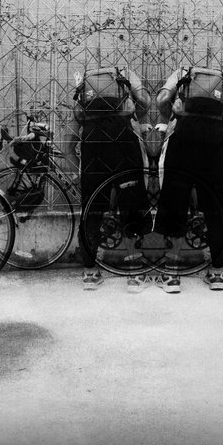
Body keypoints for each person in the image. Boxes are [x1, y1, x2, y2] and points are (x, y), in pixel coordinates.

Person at [155, 65, 223, 292]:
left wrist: (172, 115)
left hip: (182, 140)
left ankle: (172, 274)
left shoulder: (181, 73)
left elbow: (161, 99)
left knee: (175, 203)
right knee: (215, 211)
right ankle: (216, 273)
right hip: (213, 145)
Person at [64, 66, 152, 291]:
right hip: (124, 144)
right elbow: (146, 100)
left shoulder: (84, 84)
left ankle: (90, 272)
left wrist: (79, 174)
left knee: (92, 210)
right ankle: (134, 272)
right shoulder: (126, 74)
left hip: (93, 147)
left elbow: (67, 147)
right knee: (131, 204)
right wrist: (135, 114)